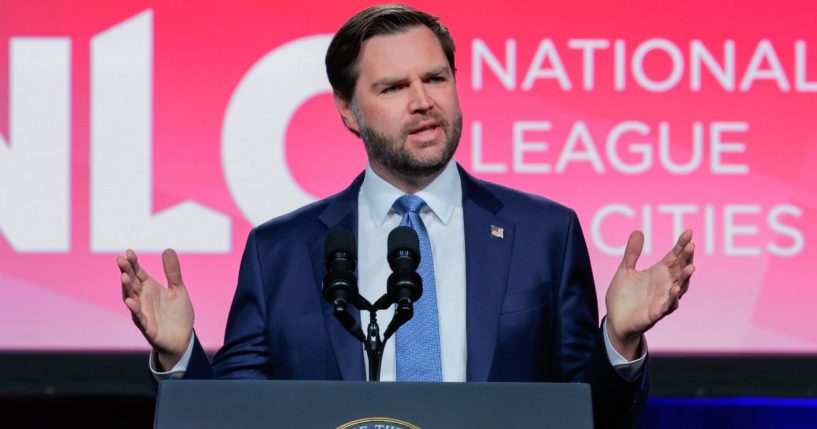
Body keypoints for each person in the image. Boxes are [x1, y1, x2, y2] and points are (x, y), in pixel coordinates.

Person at [117, 5, 695, 428]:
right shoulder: (281, 252)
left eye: (436, 78)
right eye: (394, 87)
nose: (423, 101)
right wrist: (178, 356)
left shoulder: (545, 234)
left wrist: (617, 342)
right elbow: (235, 419)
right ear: (348, 110)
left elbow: (589, 416)